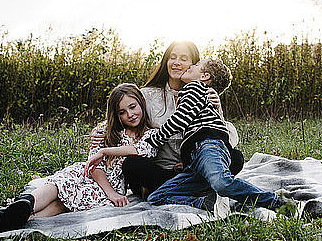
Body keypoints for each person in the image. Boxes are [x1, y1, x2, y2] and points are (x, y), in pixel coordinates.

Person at [0, 83, 157, 236]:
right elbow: (95, 165)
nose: (129, 115)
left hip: (111, 186)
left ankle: (4, 220)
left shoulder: (151, 134)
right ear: (115, 115)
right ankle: (24, 204)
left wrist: (111, 187)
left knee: (65, 204)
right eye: (122, 112)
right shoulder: (105, 130)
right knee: (60, 184)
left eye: (132, 107)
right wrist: (101, 154)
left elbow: (142, 151)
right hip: (88, 173)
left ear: (141, 103)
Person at [89, 41, 244, 199]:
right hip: (159, 168)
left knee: (236, 157)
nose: (177, 63)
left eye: (184, 58)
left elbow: (222, 137)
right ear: (166, 61)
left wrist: (219, 111)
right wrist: (101, 130)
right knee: (131, 164)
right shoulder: (147, 94)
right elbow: (125, 111)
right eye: (173, 57)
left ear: (193, 65)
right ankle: (196, 188)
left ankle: (177, 189)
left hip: (195, 166)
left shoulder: (206, 94)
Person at [146, 58, 286, 211]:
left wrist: (153, 140)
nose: (191, 66)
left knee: (222, 183)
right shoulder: (201, 93)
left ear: (204, 76)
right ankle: (207, 203)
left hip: (209, 145)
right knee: (157, 197)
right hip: (195, 160)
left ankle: (277, 202)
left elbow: (180, 119)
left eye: (196, 65)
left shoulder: (194, 88)